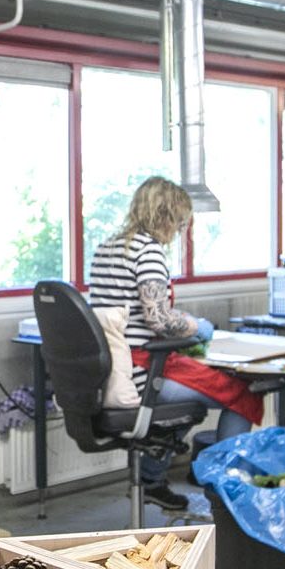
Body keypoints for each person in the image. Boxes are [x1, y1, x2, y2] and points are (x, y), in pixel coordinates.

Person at [87, 176, 260, 499]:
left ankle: (152, 480)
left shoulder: (107, 248)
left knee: (189, 405)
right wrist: (198, 327)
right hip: (143, 371)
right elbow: (158, 319)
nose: (181, 230)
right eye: (181, 222)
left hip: (111, 368)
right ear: (166, 215)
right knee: (242, 394)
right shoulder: (148, 251)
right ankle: (225, 491)